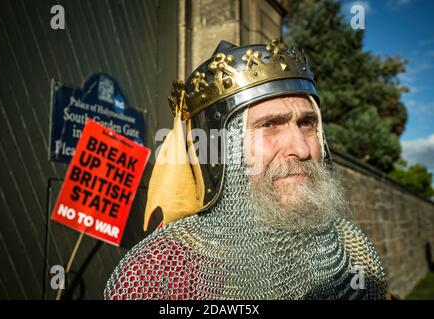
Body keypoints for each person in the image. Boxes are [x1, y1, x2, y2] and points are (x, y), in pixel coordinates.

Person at [104, 39, 387, 299]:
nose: (301, 149)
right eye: (269, 125)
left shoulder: (352, 250)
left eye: (307, 123)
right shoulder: (154, 275)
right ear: (219, 149)